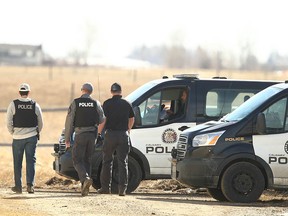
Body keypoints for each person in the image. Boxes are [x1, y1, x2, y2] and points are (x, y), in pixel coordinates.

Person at [64, 82, 105, 196]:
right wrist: (98, 134)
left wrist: (67, 139)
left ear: (82, 90)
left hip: (80, 134)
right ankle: (85, 187)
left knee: (77, 159)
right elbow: (102, 119)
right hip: (92, 135)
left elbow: (69, 122)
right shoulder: (96, 103)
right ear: (90, 92)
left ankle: (85, 178)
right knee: (87, 160)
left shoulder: (76, 103)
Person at [97, 83, 135, 196]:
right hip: (123, 135)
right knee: (123, 162)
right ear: (120, 91)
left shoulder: (107, 103)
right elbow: (132, 118)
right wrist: (128, 129)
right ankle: (122, 190)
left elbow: (103, 120)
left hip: (110, 135)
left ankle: (105, 188)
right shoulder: (127, 103)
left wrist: (99, 132)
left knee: (107, 161)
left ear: (111, 91)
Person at [6, 83, 43, 194]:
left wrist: (13, 132)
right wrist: (36, 132)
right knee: (30, 161)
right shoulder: (35, 104)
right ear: (28, 92)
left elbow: (8, 122)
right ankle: (30, 186)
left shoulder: (13, 104)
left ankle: (18, 187)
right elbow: (41, 122)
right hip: (31, 137)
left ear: (19, 92)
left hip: (17, 138)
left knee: (17, 162)